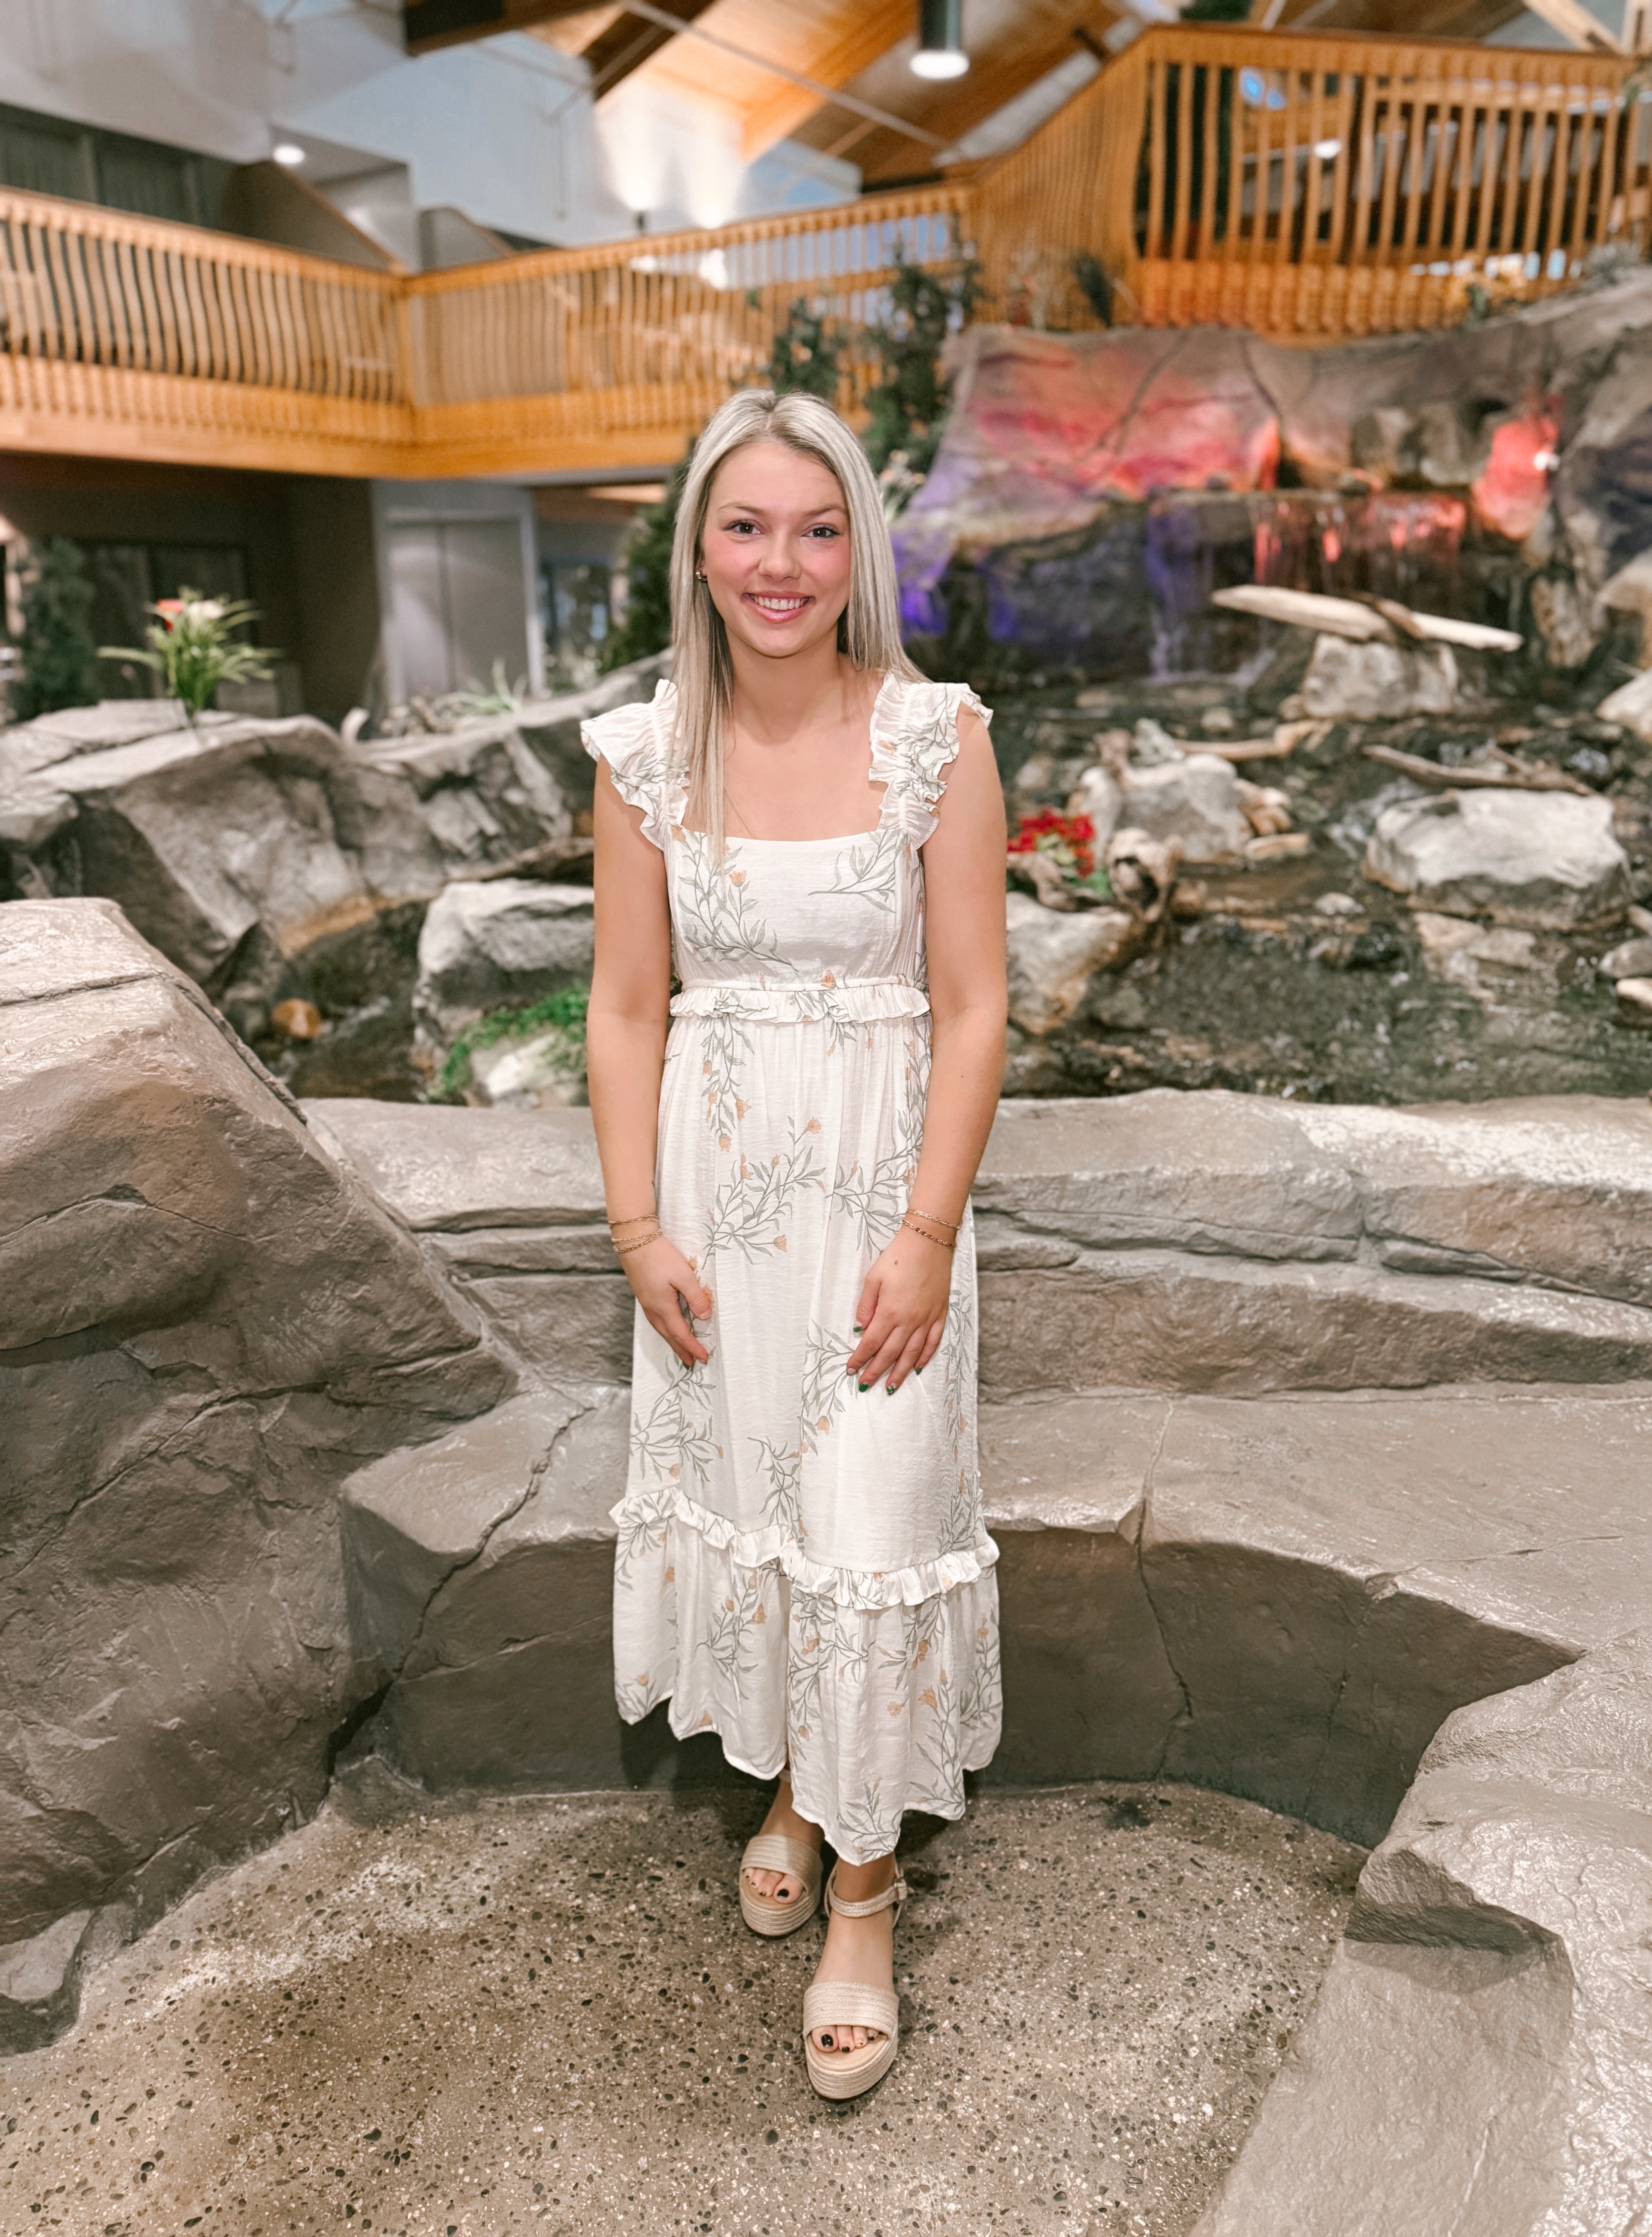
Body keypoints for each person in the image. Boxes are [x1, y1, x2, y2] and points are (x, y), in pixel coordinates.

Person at [583, 388, 1007, 2101]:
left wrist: (925, 1236)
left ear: (860, 553)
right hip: (715, 1191)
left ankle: (866, 1886)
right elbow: (623, 1009)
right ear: (699, 542)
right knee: (764, 1508)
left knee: (872, 1513)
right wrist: (632, 1223)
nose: (783, 563)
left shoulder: (938, 737)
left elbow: (978, 1010)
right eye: (748, 525)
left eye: (818, 528)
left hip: (882, 1189)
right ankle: (798, 1784)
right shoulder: (639, 756)